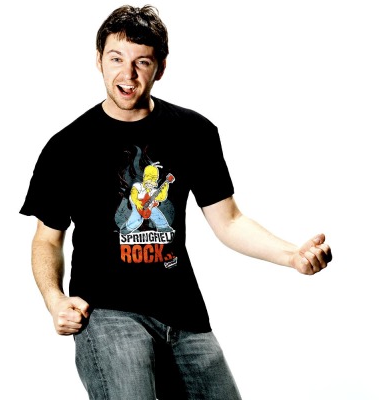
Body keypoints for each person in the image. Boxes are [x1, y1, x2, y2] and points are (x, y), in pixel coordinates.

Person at [20, 4, 332, 400]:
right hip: (108, 314)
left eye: (142, 62)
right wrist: (54, 300)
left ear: (160, 68)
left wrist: (292, 255)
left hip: (185, 315)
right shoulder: (67, 147)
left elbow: (229, 221)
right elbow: (47, 239)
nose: (127, 74)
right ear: (98, 60)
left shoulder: (193, 132)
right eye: (116, 59)